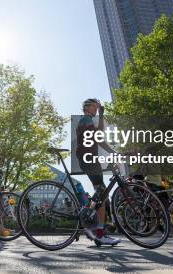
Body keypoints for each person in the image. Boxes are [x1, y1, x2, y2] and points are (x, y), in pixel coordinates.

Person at [75, 98, 120, 246]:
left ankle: (88, 217)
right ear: (87, 107)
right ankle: (100, 234)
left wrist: (113, 152)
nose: (96, 109)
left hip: (89, 158)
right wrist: (101, 116)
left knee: (101, 195)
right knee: (102, 194)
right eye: (94, 106)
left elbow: (98, 138)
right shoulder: (85, 119)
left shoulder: (88, 120)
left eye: (97, 107)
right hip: (89, 159)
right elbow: (99, 136)